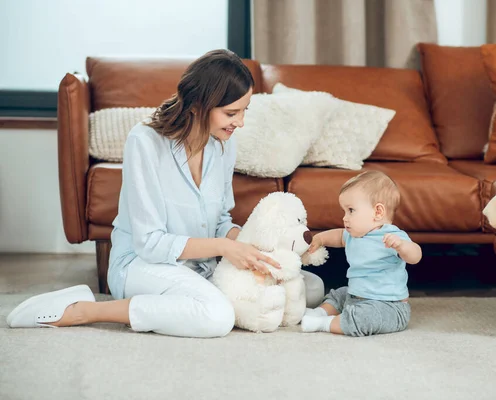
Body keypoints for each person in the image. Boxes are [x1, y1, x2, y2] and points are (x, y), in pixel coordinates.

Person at [7, 49, 325, 338]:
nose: (240, 123)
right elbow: (149, 243)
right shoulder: (145, 142)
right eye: (232, 113)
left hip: (199, 265)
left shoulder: (224, 146)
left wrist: (255, 246)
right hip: (141, 263)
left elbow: (220, 222)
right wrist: (225, 249)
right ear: (200, 105)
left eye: (244, 111)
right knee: (217, 317)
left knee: (308, 288)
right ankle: (85, 310)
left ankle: (189, 296)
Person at [301, 170, 422, 337]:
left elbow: (416, 256)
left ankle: (324, 323)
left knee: (363, 318)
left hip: (389, 307)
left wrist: (401, 246)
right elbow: (337, 236)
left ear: (378, 212)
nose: (345, 218)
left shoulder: (392, 236)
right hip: (355, 296)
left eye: (351, 210)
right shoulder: (354, 234)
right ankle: (320, 313)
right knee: (339, 294)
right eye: (344, 211)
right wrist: (320, 239)